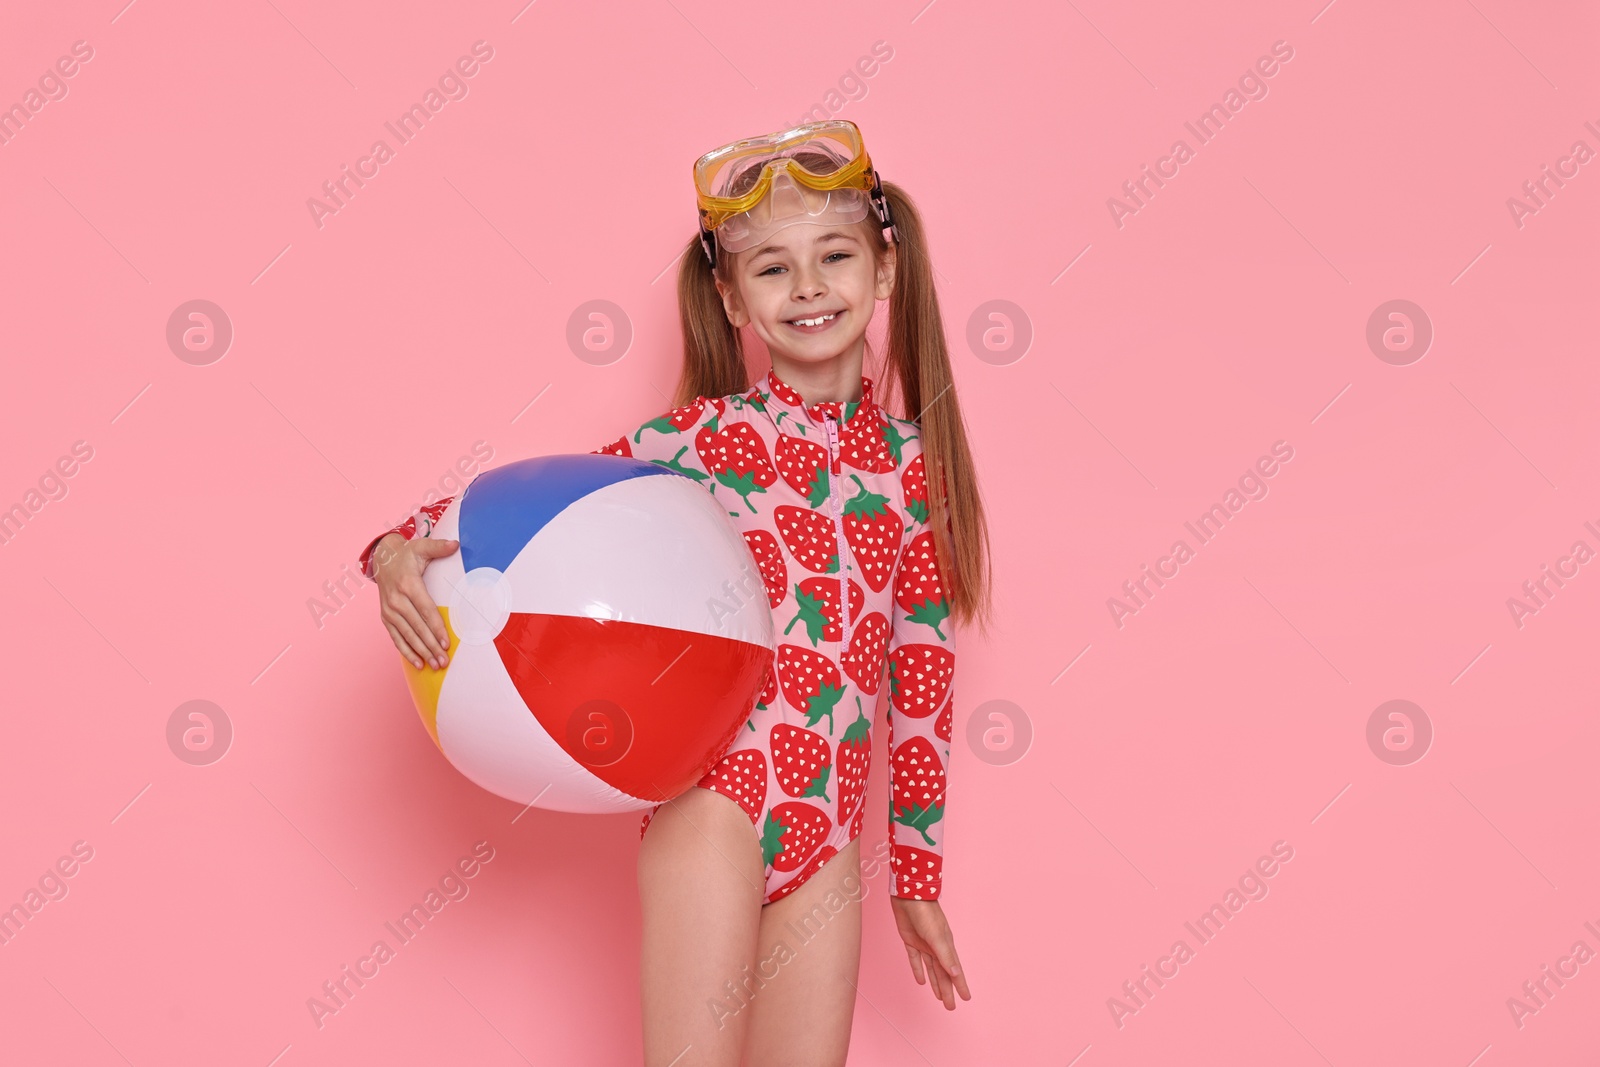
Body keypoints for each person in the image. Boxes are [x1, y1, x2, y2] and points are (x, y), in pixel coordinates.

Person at [357, 118, 993, 1066]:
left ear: (886, 272)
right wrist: (395, 552)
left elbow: (922, 683)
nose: (809, 285)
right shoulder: (700, 442)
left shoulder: (915, 470)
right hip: (717, 810)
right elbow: (525, 506)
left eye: (834, 255)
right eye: (771, 269)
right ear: (733, 300)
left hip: (829, 841)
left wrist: (915, 874)